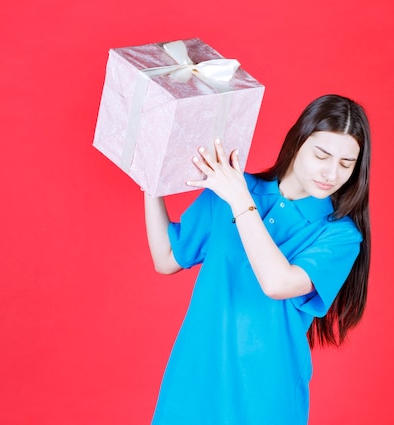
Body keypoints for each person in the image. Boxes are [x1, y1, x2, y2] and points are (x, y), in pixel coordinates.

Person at [144, 94, 371, 424]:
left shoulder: (339, 235)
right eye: (322, 155)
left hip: (266, 399)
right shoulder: (233, 189)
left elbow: (277, 283)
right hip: (194, 384)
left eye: (346, 164)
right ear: (298, 141)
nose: (331, 173)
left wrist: (239, 199)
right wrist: (151, 176)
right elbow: (166, 258)